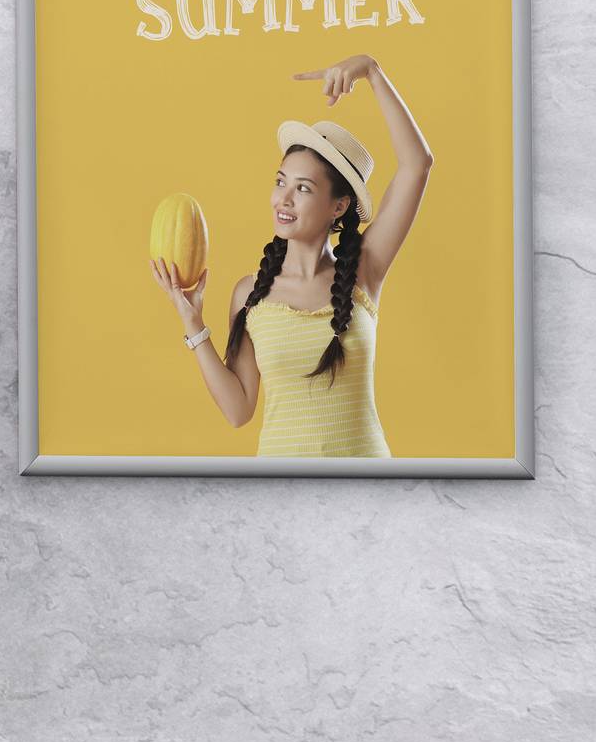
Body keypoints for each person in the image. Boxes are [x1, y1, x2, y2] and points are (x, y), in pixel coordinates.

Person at [156, 55, 434, 457]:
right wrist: (192, 322)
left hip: (369, 484)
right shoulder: (249, 294)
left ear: (338, 206)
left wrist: (372, 72)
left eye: (303, 188)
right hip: (284, 491)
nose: (283, 199)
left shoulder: (363, 274)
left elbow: (417, 165)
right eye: (281, 182)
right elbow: (238, 410)